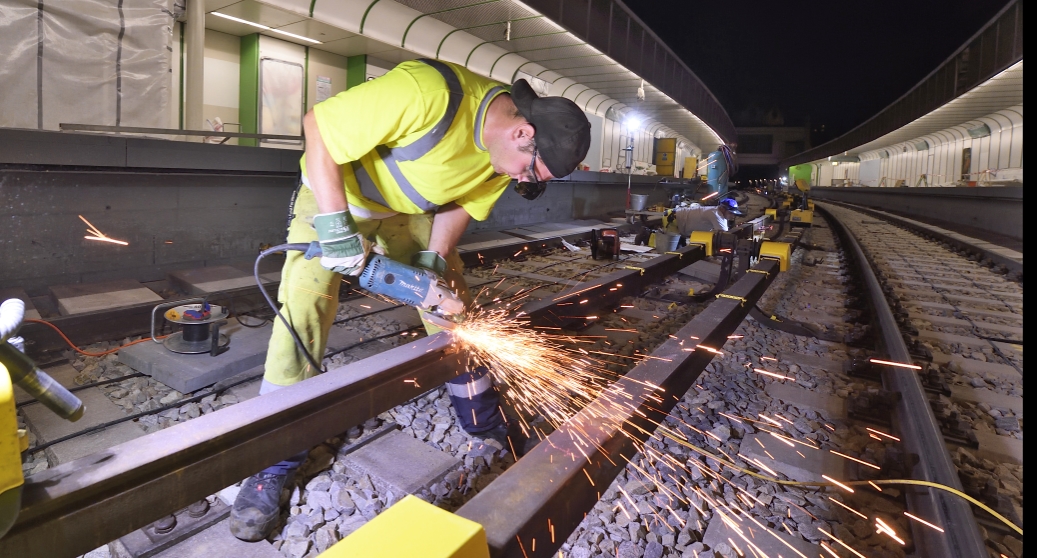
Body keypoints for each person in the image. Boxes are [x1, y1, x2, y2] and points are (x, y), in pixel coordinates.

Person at [229, 58, 591, 541]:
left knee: (451, 306)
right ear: (523, 132)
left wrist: (435, 263)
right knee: (304, 304)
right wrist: (337, 229)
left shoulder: (507, 154)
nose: (527, 182)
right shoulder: (428, 94)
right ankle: (275, 459)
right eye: (532, 172)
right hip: (339, 195)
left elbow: (463, 202)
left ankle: (481, 421)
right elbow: (319, 127)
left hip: (410, 212)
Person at [664, 197, 745, 237]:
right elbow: (725, 235)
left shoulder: (718, 212)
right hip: (672, 218)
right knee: (671, 250)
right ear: (723, 209)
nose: (733, 216)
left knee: (680, 245)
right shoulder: (715, 214)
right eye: (731, 213)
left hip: (677, 218)